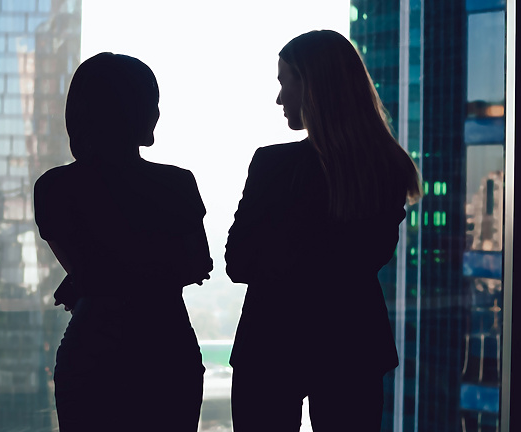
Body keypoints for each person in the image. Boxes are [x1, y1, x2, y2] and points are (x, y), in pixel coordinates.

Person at [226, 30, 422, 431]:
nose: (279, 98)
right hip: (352, 345)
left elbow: (238, 262)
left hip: (270, 343)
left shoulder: (273, 165)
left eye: (284, 81)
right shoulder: (387, 169)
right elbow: (358, 261)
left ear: (312, 85)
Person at [34, 53, 212, 432]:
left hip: (93, 346)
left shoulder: (54, 187)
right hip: (166, 346)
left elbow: (85, 269)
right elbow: (196, 265)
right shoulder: (177, 184)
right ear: (139, 111)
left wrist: (91, 278)